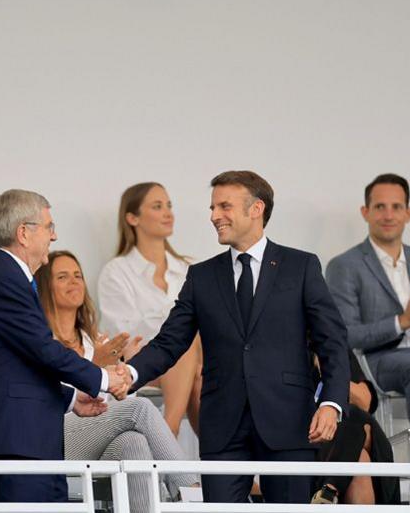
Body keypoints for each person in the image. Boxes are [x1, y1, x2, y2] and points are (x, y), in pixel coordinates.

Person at [125, 171, 350, 504]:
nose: (214, 216)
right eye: (213, 207)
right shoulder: (201, 276)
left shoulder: (300, 266)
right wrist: (127, 374)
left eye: (224, 206)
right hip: (222, 425)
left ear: (256, 208)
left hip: (287, 421)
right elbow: (169, 341)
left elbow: (331, 341)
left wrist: (331, 404)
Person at [0, 189, 130, 503]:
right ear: (24, 233)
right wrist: (104, 379)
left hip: (30, 438)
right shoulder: (2, 279)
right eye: (49, 226)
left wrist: (70, 399)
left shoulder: (8, 277)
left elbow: (22, 363)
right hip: (15, 440)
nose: (54, 236)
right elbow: (43, 349)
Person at [38, 250, 198, 513]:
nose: (74, 282)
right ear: (46, 286)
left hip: (96, 436)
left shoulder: (98, 341)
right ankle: (190, 494)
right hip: (56, 437)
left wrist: (124, 370)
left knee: (134, 442)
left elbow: (118, 404)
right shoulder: (42, 339)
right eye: (63, 277)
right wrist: (96, 367)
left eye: (78, 275)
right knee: (141, 409)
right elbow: (50, 396)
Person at [326, 173, 410, 431]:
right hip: (379, 361)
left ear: (408, 213)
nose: (388, 215)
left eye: (396, 207)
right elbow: (345, 335)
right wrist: (403, 322)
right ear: (365, 212)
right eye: (380, 207)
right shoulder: (344, 266)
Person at [98, 182, 202, 435]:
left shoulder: (190, 268)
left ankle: (173, 436)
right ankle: (172, 432)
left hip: (197, 363)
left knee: (201, 374)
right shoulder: (117, 272)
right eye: (157, 206)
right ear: (132, 218)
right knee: (184, 341)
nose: (168, 213)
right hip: (144, 364)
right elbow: (125, 337)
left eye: (169, 205)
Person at [311, 351, 398, 505]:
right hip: (320, 444)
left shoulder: (334, 349)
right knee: (360, 459)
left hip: (359, 436)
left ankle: (329, 491)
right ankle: (330, 489)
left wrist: (330, 371)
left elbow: (364, 402)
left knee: (355, 415)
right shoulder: (285, 353)